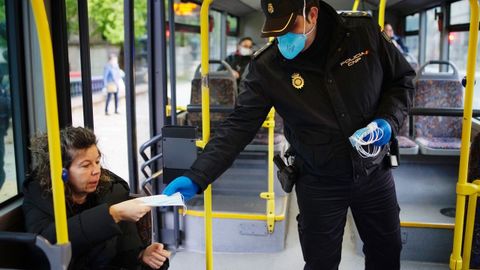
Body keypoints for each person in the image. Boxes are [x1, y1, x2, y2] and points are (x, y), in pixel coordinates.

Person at [163, 0, 415, 269]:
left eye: (289, 26)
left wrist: (387, 122)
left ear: (313, 14)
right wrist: (198, 175)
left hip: (373, 172)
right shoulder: (268, 67)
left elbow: (402, 81)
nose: (283, 37)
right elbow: (238, 126)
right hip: (318, 180)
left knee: (386, 252)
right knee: (320, 262)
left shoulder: (362, 34)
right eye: (275, 29)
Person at [23, 127, 170, 269]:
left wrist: (142, 255)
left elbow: (125, 249)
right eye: (86, 165)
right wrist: (111, 215)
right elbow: (47, 246)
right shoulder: (41, 196)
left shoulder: (112, 191)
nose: (96, 171)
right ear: (63, 172)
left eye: (97, 162)